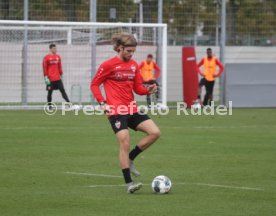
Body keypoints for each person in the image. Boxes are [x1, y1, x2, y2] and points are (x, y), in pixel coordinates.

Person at [91, 33, 160, 194]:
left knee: (155, 132)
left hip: (132, 108)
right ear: (120, 48)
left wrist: (148, 89)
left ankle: (131, 158)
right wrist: (103, 103)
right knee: (125, 142)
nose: (131, 54)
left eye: (133, 51)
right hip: (116, 110)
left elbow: (138, 89)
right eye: (128, 51)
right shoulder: (108, 65)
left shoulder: (134, 65)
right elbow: (95, 84)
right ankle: (129, 183)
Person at [43, 44, 70, 108]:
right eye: (54, 48)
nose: (56, 50)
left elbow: (60, 67)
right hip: (50, 79)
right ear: (51, 49)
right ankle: (49, 106)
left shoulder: (58, 57)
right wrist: (46, 77)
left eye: (56, 48)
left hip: (57, 78)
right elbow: (44, 68)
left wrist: (61, 74)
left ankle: (69, 104)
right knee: (50, 93)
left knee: (63, 91)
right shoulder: (46, 57)